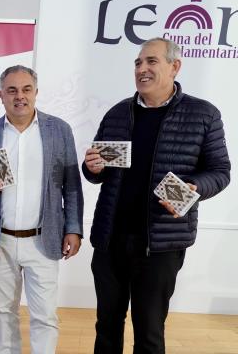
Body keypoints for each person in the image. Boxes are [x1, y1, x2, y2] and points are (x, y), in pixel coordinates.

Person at [82, 37, 231, 354]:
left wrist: (195, 189)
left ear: (175, 67)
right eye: (138, 62)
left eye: (151, 61)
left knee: (149, 332)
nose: (142, 69)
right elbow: (97, 173)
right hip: (111, 241)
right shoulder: (117, 114)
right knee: (106, 327)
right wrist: (92, 167)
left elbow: (220, 171)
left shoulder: (203, 115)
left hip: (161, 245)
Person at [0, 65, 83, 354]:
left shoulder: (59, 131)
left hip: (43, 239)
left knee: (45, 317)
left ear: (36, 93)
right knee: (4, 314)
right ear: (1, 95)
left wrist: (74, 229)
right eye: (12, 90)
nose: (20, 96)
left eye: (26, 89)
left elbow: (72, 185)